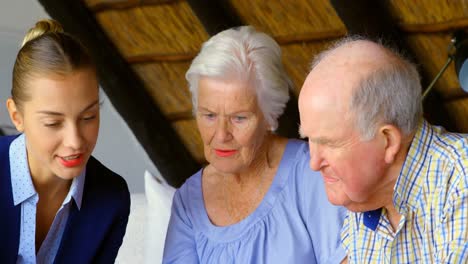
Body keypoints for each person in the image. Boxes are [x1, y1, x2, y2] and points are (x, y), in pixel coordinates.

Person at [162, 26, 347, 264]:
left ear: (270, 117)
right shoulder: (188, 201)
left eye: (239, 118)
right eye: (209, 115)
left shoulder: (313, 174)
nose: (221, 135)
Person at [298, 36, 468, 263]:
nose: (314, 162)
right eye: (310, 139)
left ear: (387, 140)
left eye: (329, 143)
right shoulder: (366, 197)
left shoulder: (460, 178)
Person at [0, 19, 130, 263]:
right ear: (17, 116)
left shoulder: (112, 199)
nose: (75, 142)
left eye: (88, 117)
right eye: (53, 123)